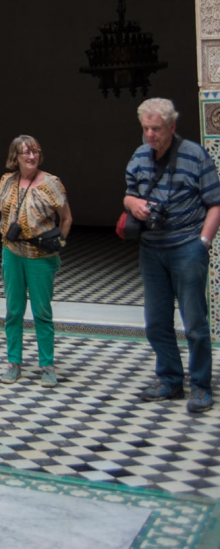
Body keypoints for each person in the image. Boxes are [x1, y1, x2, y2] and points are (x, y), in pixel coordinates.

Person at [124, 98, 220, 413]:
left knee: (194, 322)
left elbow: (215, 203)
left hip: (187, 247)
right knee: (156, 322)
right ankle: (169, 380)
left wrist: (203, 242)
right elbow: (129, 193)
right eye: (146, 128)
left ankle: (202, 386)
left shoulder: (195, 155)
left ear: (172, 127)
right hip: (151, 250)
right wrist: (132, 204)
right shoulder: (139, 156)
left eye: (156, 129)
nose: (150, 134)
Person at [0, 135, 72, 387]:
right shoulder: (7, 181)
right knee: (13, 310)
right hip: (12, 252)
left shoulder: (52, 184)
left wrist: (58, 242)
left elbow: (66, 218)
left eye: (35, 152)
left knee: (42, 311)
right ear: (15, 157)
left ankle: (47, 365)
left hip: (41, 256)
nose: (31, 157)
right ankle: (13, 361)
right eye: (25, 153)